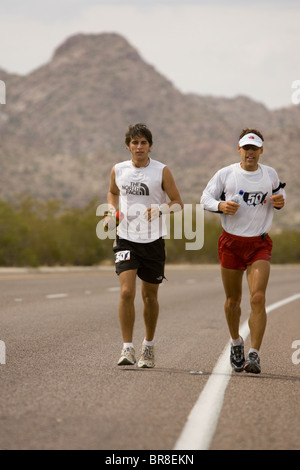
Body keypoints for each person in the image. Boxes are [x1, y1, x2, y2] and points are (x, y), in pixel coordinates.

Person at [201, 128, 286, 374]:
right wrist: (220, 205)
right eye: (246, 148)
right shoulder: (226, 174)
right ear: (239, 149)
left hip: (259, 243)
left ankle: (255, 354)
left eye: (254, 148)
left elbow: (280, 194)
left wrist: (280, 200)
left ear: (261, 150)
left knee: (258, 297)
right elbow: (205, 198)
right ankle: (236, 342)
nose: (250, 153)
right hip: (231, 242)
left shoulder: (269, 174)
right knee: (232, 301)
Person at [104, 123, 183, 368]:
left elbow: (178, 202)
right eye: (135, 143)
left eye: (143, 143)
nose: (139, 147)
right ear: (128, 146)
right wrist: (112, 211)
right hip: (126, 237)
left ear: (150, 146)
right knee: (127, 292)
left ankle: (148, 347)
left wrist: (160, 209)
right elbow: (111, 193)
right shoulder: (118, 169)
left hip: (153, 241)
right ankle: (127, 348)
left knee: (149, 297)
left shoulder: (162, 171)